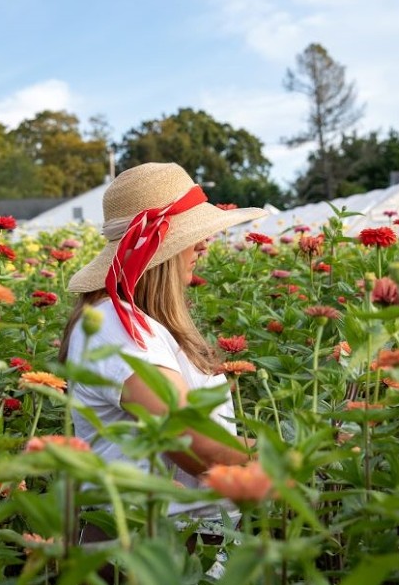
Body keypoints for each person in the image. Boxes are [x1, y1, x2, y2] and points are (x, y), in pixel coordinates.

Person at [58, 162, 268, 542]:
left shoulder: (136, 321)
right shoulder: (114, 324)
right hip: (154, 550)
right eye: (193, 235)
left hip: (181, 539)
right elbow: (198, 447)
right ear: (158, 249)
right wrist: (296, 451)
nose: (203, 244)